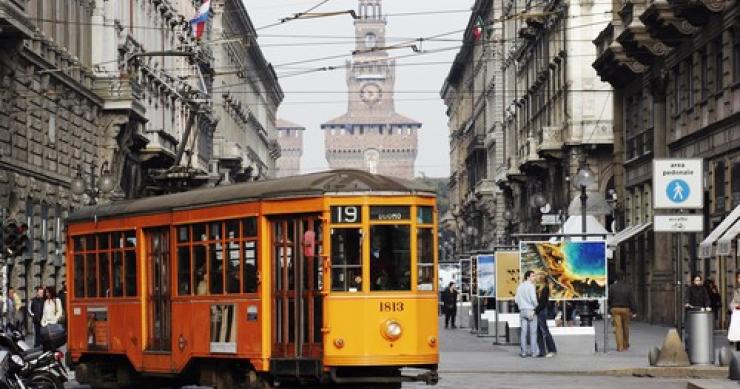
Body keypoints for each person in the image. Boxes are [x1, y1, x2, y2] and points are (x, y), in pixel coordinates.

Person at [608, 273, 636, 351]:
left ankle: (620, 347)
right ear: (624, 278)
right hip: (625, 309)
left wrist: (610, 307)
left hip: (615, 309)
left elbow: (609, 299)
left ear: (616, 279)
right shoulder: (628, 288)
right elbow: (632, 300)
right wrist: (634, 311)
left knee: (618, 328)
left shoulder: (612, 287)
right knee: (625, 327)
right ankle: (625, 345)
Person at [514, 270, 539, 358]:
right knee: (533, 333)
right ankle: (533, 352)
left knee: (523, 333)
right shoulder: (531, 286)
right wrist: (537, 307)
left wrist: (522, 304)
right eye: (533, 276)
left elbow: (516, 300)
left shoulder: (520, 286)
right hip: (531, 310)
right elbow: (533, 299)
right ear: (528, 277)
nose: (534, 277)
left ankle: (523, 352)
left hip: (522, 311)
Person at [535, 274, 557, 357]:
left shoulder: (545, 288)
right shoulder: (539, 288)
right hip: (539, 310)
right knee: (539, 331)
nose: (536, 278)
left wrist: (535, 311)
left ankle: (552, 350)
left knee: (544, 330)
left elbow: (543, 303)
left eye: (537, 277)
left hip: (541, 311)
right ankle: (542, 351)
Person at [727, 272, 740, 350]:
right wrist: (734, 307)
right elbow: (732, 302)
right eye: (738, 277)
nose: (739, 279)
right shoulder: (736, 290)